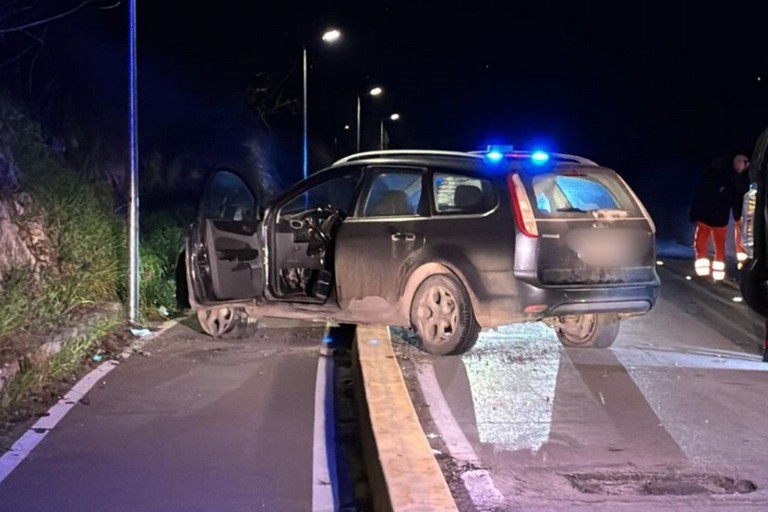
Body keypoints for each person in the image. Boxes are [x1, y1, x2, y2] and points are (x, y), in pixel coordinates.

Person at [689, 157, 737, 281]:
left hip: (706, 217)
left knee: (701, 242)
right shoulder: (728, 180)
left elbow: (699, 197)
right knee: (719, 244)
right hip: (720, 218)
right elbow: (731, 198)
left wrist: (694, 214)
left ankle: (703, 270)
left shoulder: (706, 177)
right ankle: (717, 273)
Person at [731, 153, 751, 266]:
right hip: (740, 213)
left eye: (739, 163)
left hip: (747, 213)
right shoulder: (736, 177)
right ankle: (743, 259)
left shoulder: (748, 176)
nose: (737, 166)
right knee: (740, 235)